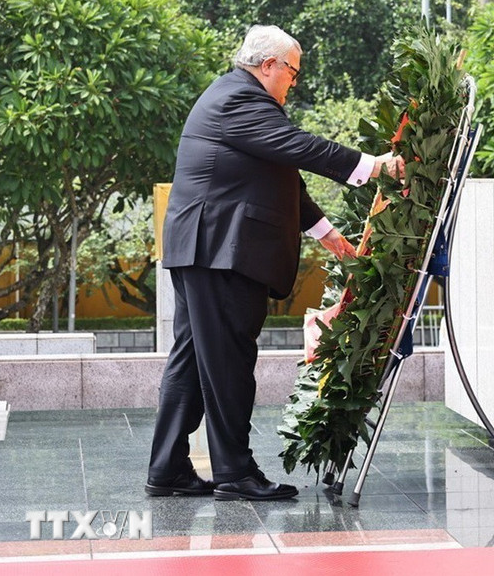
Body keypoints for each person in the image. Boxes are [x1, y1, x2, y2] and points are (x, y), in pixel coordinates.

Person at [145, 25, 404, 501]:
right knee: (227, 364)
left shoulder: (239, 100)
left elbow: (282, 174)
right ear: (268, 65)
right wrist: (374, 166)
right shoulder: (240, 100)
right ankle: (234, 473)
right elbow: (301, 148)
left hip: (206, 250)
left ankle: (168, 469)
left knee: (191, 361)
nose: (294, 82)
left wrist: (329, 237)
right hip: (219, 252)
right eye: (292, 71)